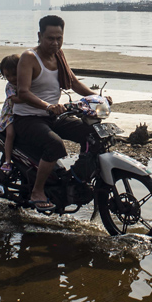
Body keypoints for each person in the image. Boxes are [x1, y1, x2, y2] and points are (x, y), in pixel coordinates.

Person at [13, 15, 97, 212]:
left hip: (52, 116)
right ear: (40, 35)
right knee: (55, 144)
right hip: (27, 118)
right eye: (50, 38)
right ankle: (37, 191)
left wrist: (97, 98)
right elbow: (23, 92)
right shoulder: (29, 58)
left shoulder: (59, 55)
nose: (55, 42)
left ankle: (76, 179)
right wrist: (47, 106)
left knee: (92, 133)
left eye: (59, 38)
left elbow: (74, 82)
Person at [0, 54, 21, 174]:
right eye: (8, 76)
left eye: (14, 74)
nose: (11, 78)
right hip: (10, 114)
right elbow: (14, 99)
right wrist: (29, 98)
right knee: (10, 134)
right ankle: (7, 160)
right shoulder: (10, 86)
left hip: (21, 113)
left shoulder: (26, 81)